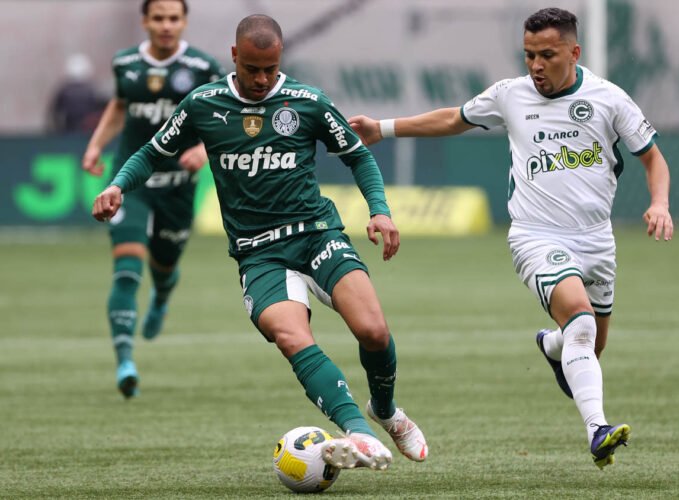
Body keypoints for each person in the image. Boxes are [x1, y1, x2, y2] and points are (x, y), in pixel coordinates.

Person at [91, 14, 428, 471]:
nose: (262, 79)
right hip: (258, 253)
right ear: (235, 57)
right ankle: (358, 432)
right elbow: (153, 151)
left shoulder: (307, 102)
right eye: (252, 68)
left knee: (372, 331)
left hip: (316, 235)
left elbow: (357, 155)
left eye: (270, 68)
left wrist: (380, 210)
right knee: (291, 336)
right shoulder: (203, 104)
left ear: (280, 59)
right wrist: (117, 186)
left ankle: (385, 411)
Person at [348, 7, 673, 469]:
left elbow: (653, 159)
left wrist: (659, 203)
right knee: (580, 322)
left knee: (589, 347)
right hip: (536, 236)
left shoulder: (609, 99)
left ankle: (552, 345)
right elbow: (453, 119)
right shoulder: (511, 95)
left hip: (598, 241)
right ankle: (598, 429)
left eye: (547, 55)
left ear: (574, 52)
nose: (536, 66)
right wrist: (383, 128)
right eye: (528, 56)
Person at [82, 0, 224, 399]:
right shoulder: (125, 62)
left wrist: (206, 151)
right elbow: (119, 106)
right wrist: (96, 146)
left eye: (173, 18)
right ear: (145, 21)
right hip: (130, 181)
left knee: (163, 265)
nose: (166, 25)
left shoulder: (202, 67)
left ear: (184, 22)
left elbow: (223, 118)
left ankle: (162, 295)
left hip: (178, 185)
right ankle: (125, 360)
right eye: (158, 18)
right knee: (127, 268)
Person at [49, 53, 104, 133]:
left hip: (68, 132)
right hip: (86, 133)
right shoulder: (91, 91)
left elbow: (54, 113)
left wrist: (57, 130)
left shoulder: (64, 91)